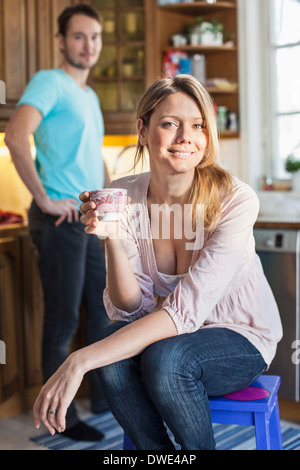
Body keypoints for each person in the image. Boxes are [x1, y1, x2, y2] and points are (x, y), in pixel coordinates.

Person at [32, 75, 282, 450]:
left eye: (197, 125)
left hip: (241, 337)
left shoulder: (236, 200)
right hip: (166, 339)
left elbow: (185, 313)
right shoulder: (124, 196)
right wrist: (112, 237)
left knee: (165, 360)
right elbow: (129, 308)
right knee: (111, 352)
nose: (186, 137)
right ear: (143, 130)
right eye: (170, 123)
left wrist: (78, 361)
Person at [5, 4, 111, 441]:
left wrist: (114, 205)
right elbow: (14, 135)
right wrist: (44, 199)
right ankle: (57, 420)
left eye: (95, 37)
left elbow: (95, 159)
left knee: (106, 314)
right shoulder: (49, 82)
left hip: (89, 221)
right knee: (64, 320)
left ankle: (108, 401)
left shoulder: (89, 96)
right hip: (60, 221)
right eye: (79, 36)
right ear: (62, 41)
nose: (89, 45)